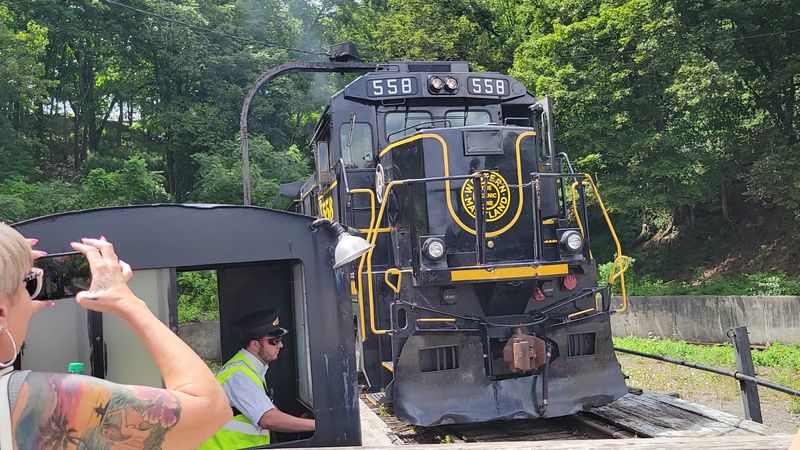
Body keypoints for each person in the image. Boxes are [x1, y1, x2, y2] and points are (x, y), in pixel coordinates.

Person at [0, 224, 231, 449]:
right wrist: (128, 303)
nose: (32, 296)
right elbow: (211, 410)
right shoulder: (31, 400)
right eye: (29, 284)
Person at [199, 309, 315, 449]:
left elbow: (267, 409)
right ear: (255, 345)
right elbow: (268, 419)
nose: (280, 345)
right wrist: (318, 425)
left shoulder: (250, 369)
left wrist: (299, 422)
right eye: (274, 341)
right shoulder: (239, 376)